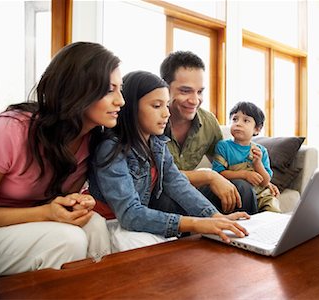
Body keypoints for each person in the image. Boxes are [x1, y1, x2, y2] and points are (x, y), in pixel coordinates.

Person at [0, 41, 124, 275]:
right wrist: (45, 213)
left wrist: (75, 204)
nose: (120, 101)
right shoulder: (9, 130)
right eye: (108, 90)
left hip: (26, 225)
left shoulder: (91, 141)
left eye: (120, 89)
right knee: (67, 239)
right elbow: (46, 211)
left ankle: (102, 290)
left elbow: (57, 200)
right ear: (77, 89)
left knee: (93, 223)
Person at [88, 71, 249, 252]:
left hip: (139, 218)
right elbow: (129, 214)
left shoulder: (157, 144)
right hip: (110, 223)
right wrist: (197, 223)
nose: (166, 113)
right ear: (132, 107)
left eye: (166, 105)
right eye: (157, 106)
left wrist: (215, 216)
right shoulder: (111, 148)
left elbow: (177, 184)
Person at [160, 51, 258, 214]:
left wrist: (262, 179)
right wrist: (208, 176)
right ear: (164, 88)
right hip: (161, 196)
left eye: (199, 92)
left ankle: (252, 237)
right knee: (170, 201)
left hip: (193, 192)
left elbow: (226, 163)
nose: (195, 100)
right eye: (185, 91)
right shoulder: (152, 120)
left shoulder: (207, 122)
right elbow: (158, 177)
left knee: (242, 188)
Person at [212, 102, 281, 212]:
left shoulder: (261, 151)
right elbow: (218, 174)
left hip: (260, 194)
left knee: (272, 209)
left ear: (257, 129)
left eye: (246, 120)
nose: (238, 123)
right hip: (238, 192)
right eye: (235, 119)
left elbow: (265, 181)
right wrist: (244, 174)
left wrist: (257, 163)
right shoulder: (223, 146)